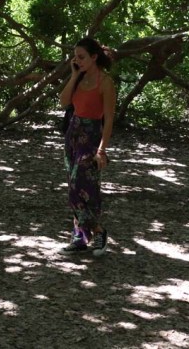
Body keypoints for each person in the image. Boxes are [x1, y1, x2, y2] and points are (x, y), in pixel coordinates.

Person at [58, 37, 116, 256]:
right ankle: (79, 238)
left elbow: (109, 119)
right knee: (74, 187)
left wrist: (102, 150)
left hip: (91, 137)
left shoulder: (106, 82)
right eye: (75, 57)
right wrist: (73, 76)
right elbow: (64, 102)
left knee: (81, 187)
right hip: (72, 134)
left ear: (94, 57)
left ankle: (99, 231)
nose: (77, 60)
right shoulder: (78, 78)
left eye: (82, 57)